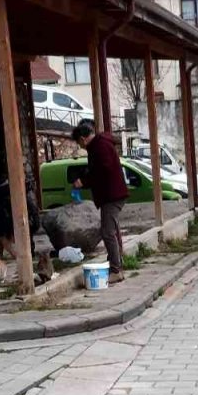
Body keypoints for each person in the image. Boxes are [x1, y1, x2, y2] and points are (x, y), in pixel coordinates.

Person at [71, 121, 128, 283]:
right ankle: (117, 264)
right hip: (113, 193)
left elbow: (103, 171)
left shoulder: (99, 147)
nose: (81, 147)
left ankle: (116, 270)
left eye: (79, 144)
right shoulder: (101, 144)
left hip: (111, 195)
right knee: (113, 230)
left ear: (83, 139)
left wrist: (84, 181)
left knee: (107, 232)